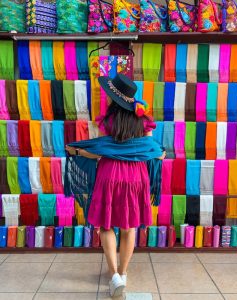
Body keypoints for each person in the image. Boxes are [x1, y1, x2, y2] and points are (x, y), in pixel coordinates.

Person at [66, 74, 166, 298]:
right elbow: (152, 150)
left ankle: (113, 277)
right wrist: (160, 153)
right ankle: (123, 272)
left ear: (114, 98)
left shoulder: (108, 120)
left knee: (106, 226)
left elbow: (101, 150)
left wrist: (79, 151)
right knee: (130, 226)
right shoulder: (143, 120)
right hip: (136, 177)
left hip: (109, 174)